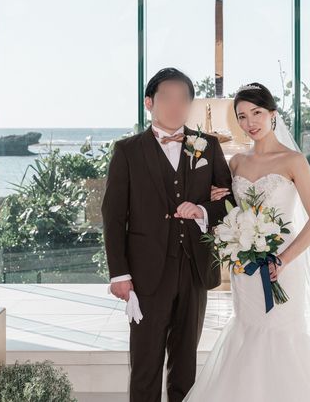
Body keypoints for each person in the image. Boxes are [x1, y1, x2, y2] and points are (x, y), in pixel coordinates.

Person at [182, 81, 310, 402]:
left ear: (273, 114)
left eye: (257, 112)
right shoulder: (236, 163)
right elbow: (231, 210)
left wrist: (283, 260)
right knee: (247, 330)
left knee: (281, 334)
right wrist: (219, 198)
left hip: (284, 264)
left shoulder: (293, 161)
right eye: (242, 116)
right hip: (246, 265)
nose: (250, 122)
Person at [101, 67, 234, 402]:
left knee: (185, 364)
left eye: (183, 99)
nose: (176, 105)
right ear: (149, 102)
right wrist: (119, 273)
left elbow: (230, 202)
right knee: (145, 364)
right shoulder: (127, 151)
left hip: (194, 269)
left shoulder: (207, 146)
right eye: (168, 98)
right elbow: (113, 216)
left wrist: (202, 209)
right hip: (145, 273)